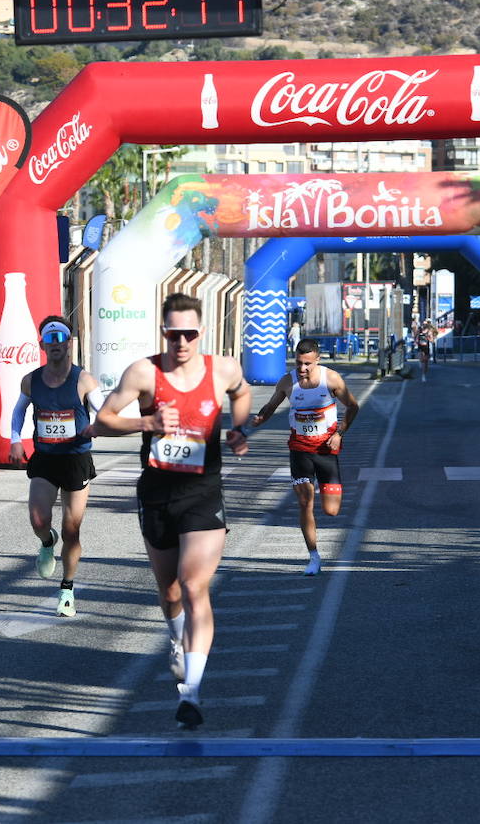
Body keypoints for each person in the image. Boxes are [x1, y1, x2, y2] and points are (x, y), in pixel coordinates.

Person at [95, 293, 251, 730]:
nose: (181, 341)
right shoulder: (144, 372)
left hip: (203, 493)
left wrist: (238, 429)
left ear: (201, 333)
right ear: (162, 333)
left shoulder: (223, 368)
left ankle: (193, 693)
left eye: (189, 333)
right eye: (173, 333)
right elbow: (101, 422)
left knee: (193, 584)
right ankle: (177, 642)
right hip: (157, 493)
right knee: (170, 592)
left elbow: (243, 393)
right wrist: (145, 423)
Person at [8, 315, 100, 617]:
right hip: (46, 458)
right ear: (43, 344)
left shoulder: (84, 379)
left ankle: (67, 590)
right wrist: (15, 440)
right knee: (38, 519)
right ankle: (47, 542)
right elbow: (19, 411)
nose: (56, 344)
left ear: (69, 343)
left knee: (72, 529)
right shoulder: (31, 380)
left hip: (76, 459)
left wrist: (97, 426)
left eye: (62, 338)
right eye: (51, 339)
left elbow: (104, 410)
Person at [250, 338, 361, 576]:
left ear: (317, 360)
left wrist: (340, 433)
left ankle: (326, 488)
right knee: (304, 502)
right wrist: (261, 418)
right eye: (299, 363)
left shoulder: (331, 379)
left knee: (331, 510)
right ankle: (313, 557)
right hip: (299, 449)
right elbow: (270, 406)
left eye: (307, 364)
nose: (302, 369)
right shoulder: (287, 382)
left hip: (325, 450)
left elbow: (353, 406)